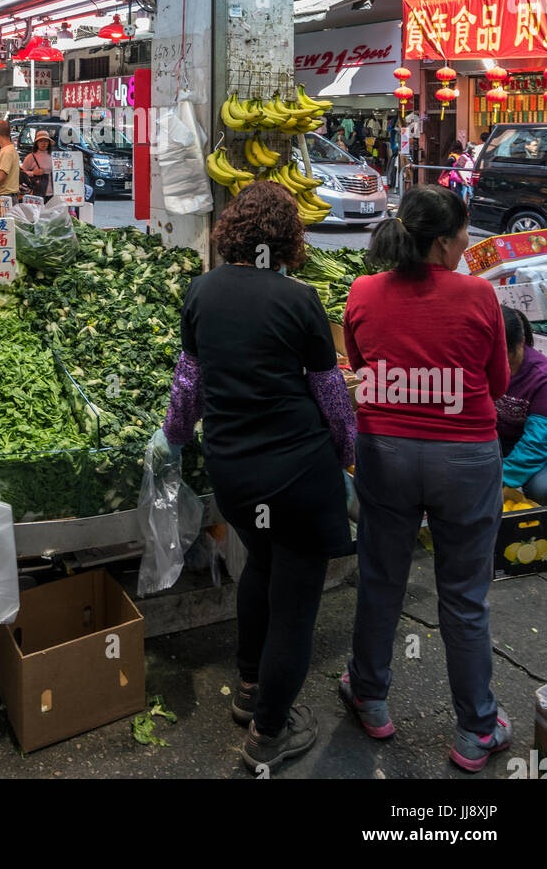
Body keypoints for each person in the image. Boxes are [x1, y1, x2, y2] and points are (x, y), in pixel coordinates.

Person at [153, 182, 356, 773]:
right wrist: (346, 460)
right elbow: (332, 398)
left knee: (262, 565)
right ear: (287, 238)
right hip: (296, 474)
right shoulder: (299, 301)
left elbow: (187, 386)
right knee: (296, 604)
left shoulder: (202, 291)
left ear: (234, 231)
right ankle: (270, 732)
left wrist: (174, 440)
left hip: (234, 473)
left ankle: (247, 686)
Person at [342, 186, 511, 773]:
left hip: (385, 452)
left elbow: (361, 369)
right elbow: (497, 383)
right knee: (464, 597)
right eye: (464, 232)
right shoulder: (480, 296)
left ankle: (369, 695)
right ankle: (476, 729)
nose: (469, 241)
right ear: (442, 241)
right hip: (464, 457)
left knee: (381, 577)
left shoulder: (362, 291)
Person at [497, 307, 547, 503]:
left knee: (541, 488)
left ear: (521, 343)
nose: (499, 366)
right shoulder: (478, 364)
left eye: (505, 358)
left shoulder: (541, 378)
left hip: (538, 448)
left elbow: (536, 443)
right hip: (500, 443)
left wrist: (500, 480)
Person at [21, 131, 54, 198]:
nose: (43, 143)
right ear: (37, 143)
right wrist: (33, 173)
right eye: (40, 141)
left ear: (49, 143)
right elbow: (21, 173)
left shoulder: (54, 156)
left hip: (53, 194)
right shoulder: (31, 157)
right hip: (37, 193)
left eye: (46, 141)